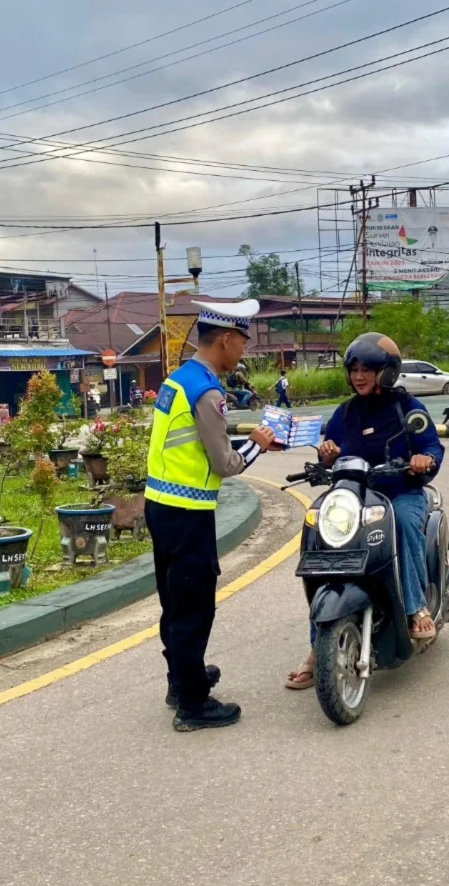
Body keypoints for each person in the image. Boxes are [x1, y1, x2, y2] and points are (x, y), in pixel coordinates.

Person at [284, 333, 444, 691]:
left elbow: (431, 445)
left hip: (401, 493)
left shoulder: (408, 407)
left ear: (387, 372)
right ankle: (318, 646)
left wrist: (424, 459)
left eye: (367, 370)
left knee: (403, 522)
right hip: (355, 498)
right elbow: (332, 450)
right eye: (354, 369)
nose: (358, 376)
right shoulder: (345, 412)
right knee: (321, 535)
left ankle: (415, 607)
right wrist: (328, 455)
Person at [146, 298, 277, 732]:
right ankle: (193, 704)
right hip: (188, 513)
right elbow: (224, 464)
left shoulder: (179, 379)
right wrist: (257, 444)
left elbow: (195, 442)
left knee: (173, 601)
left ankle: (181, 678)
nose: (244, 350)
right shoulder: (208, 391)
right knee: (193, 608)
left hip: (161, 505)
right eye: (243, 341)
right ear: (225, 340)